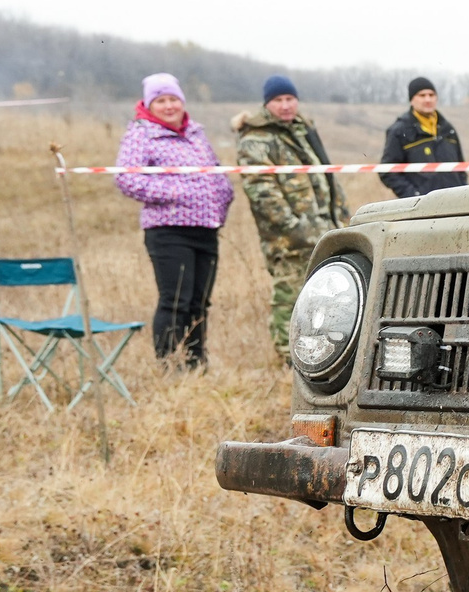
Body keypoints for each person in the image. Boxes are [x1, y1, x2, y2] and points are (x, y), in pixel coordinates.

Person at [112, 73, 233, 370]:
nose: (168, 106)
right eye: (161, 100)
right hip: (168, 231)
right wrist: (175, 193)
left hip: (206, 229)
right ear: (149, 104)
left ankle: (196, 361)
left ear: (182, 101)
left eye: (173, 99)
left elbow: (215, 170)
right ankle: (168, 364)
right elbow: (126, 178)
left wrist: (223, 197)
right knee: (175, 300)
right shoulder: (141, 133)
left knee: (199, 302)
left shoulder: (196, 133)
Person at [231, 74, 347, 354]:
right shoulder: (256, 139)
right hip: (288, 237)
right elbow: (262, 192)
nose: (285, 106)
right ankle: (286, 353)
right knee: (289, 295)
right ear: (267, 104)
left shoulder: (303, 130)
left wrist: (340, 218)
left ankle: (320, 352)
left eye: (290, 99)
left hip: (324, 228)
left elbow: (327, 177)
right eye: (279, 100)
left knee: (326, 296)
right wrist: (295, 227)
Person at [378, 76, 467, 197]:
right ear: (412, 100)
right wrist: (414, 195)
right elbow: (388, 172)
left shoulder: (448, 129)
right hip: (422, 209)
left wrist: (463, 190)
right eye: (422, 95)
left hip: (455, 202)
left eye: (431, 95)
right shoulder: (399, 131)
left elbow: (461, 167)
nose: (428, 99)